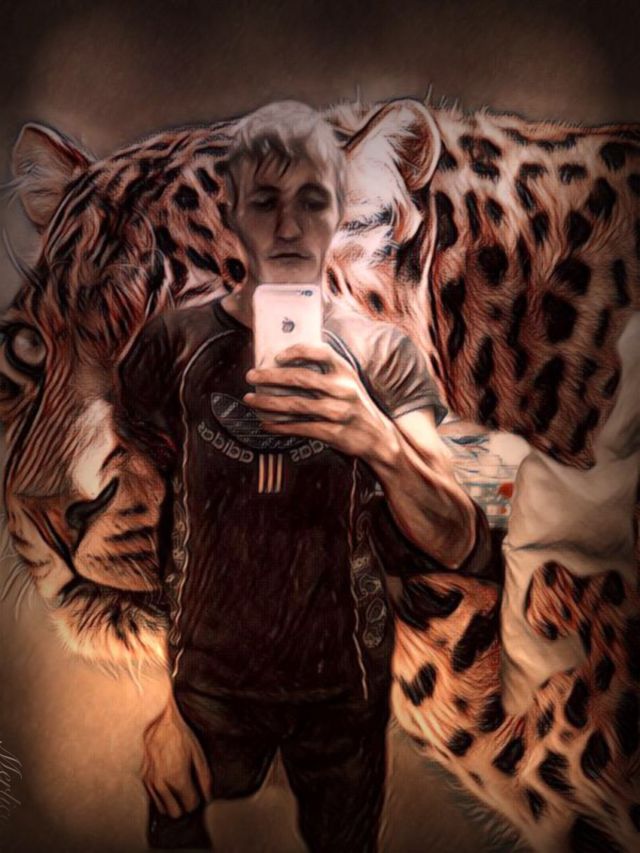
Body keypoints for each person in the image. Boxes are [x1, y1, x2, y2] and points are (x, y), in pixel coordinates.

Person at [120, 101, 488, 852]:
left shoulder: (382, 354)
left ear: (340, 208)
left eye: (312, 200)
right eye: (265, 201)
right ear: (230, 208)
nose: (289, 226)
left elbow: (458, 538)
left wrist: (374, 436)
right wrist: (167, 707)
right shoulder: (171, 344)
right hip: (206, 690)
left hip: (344, 690)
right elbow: (148, 521)